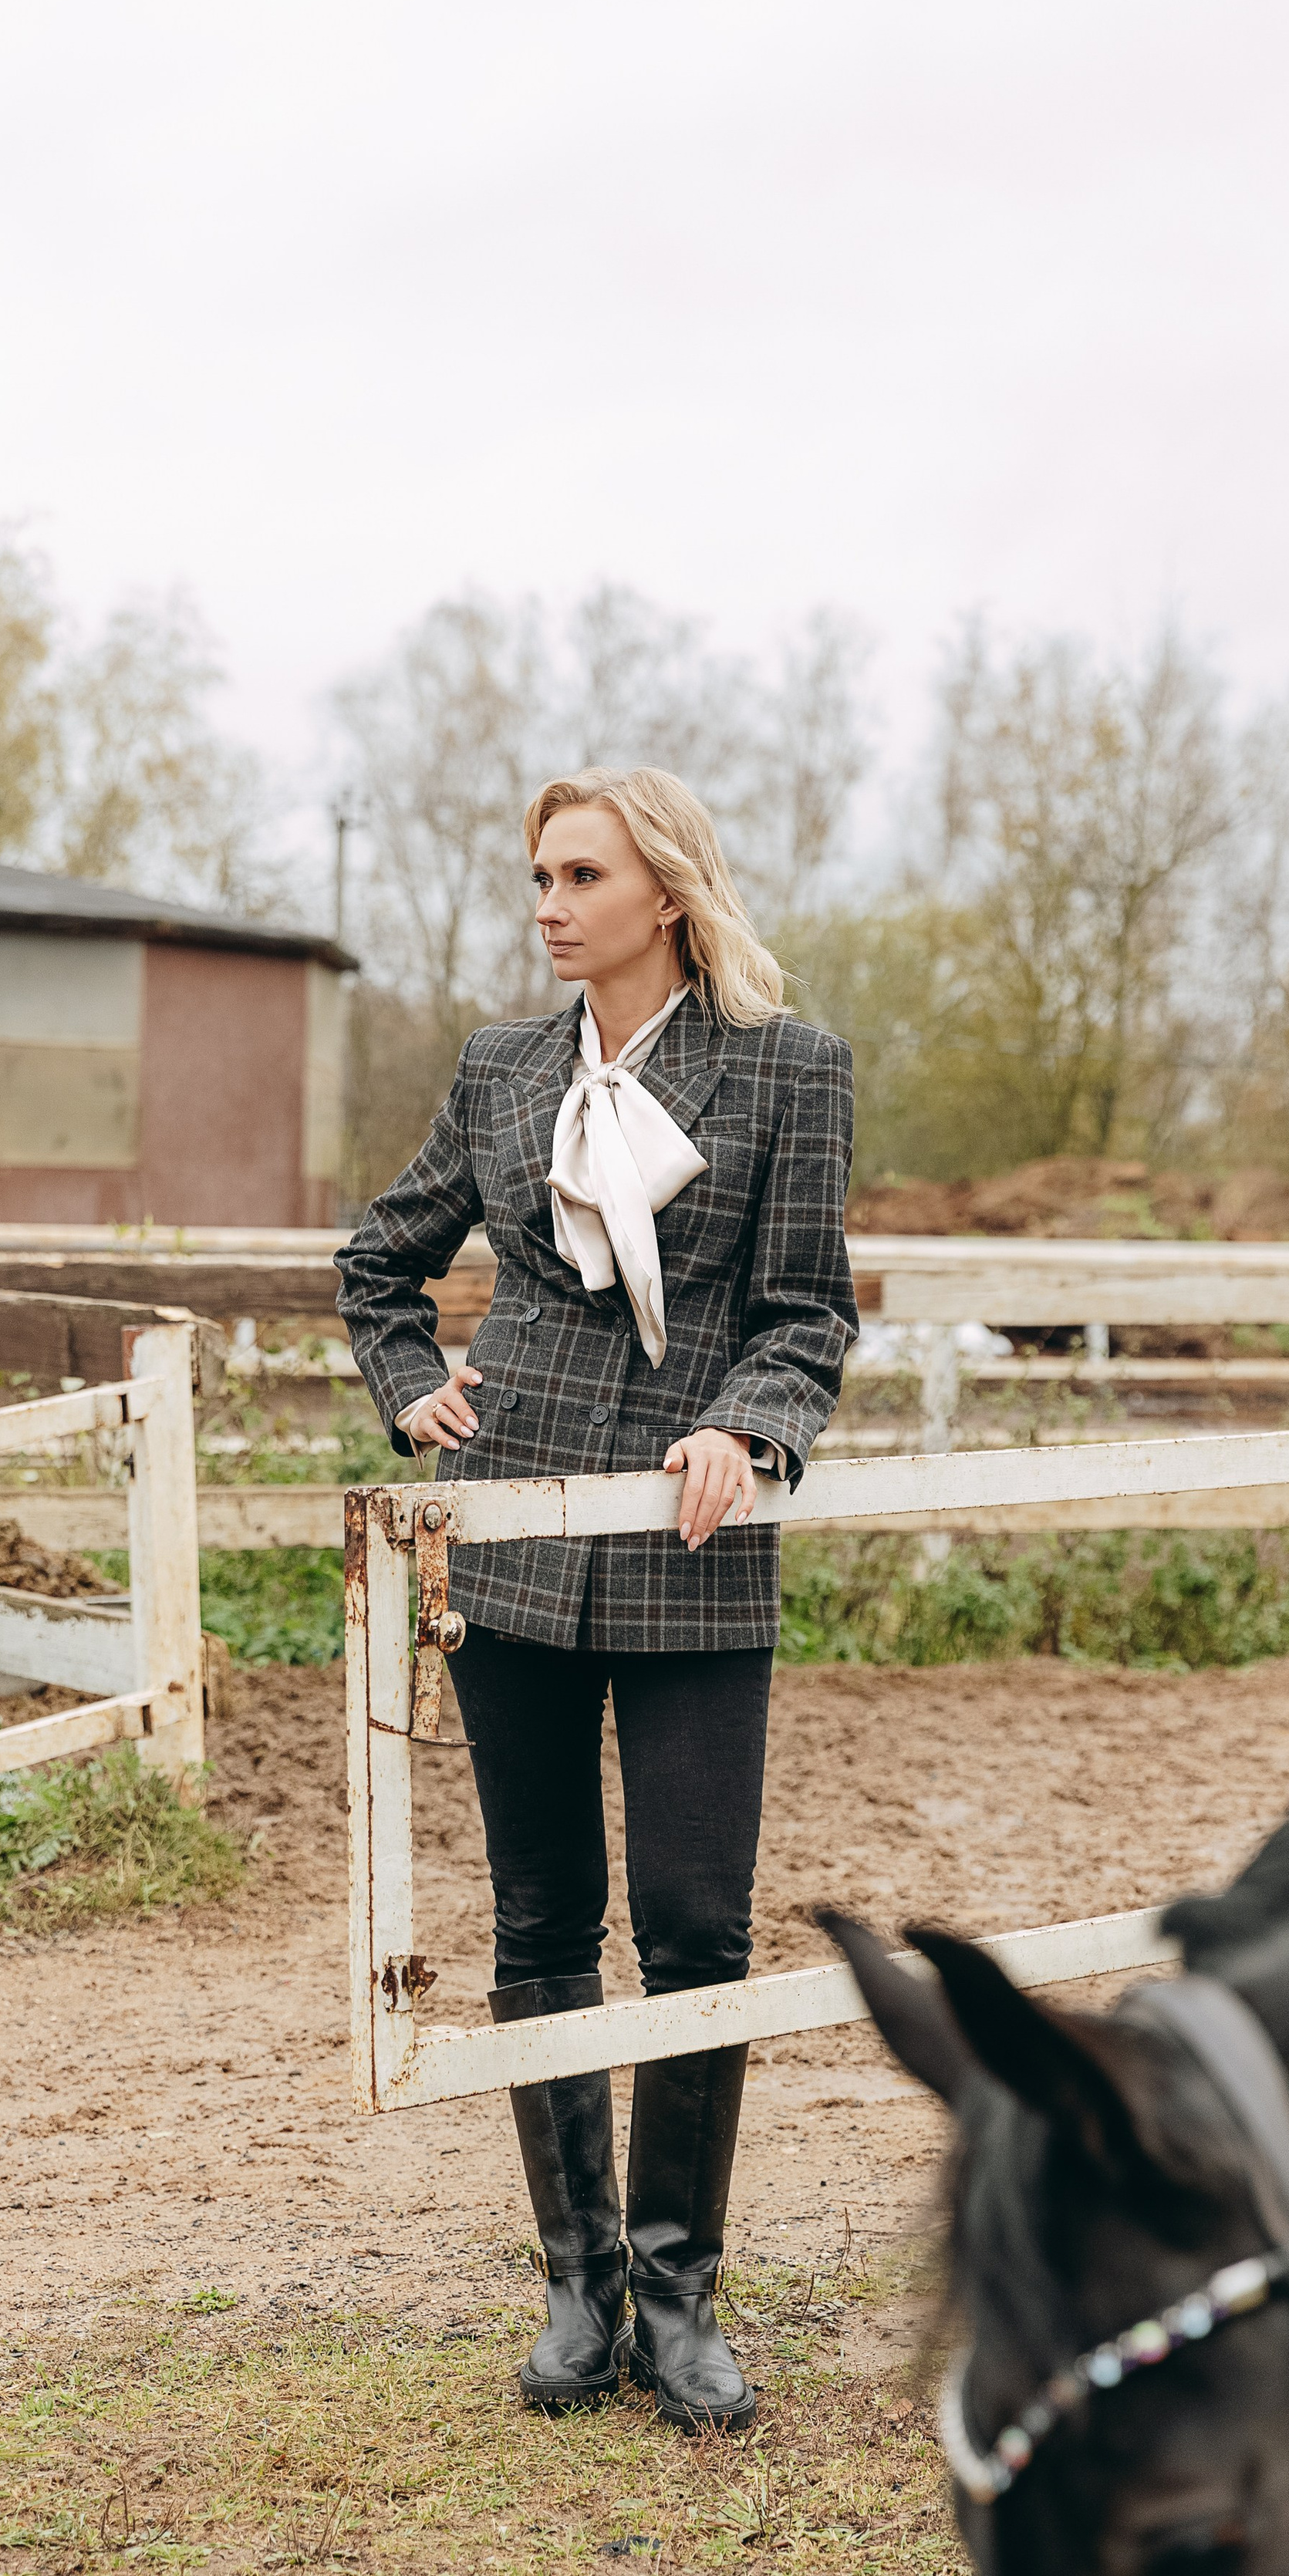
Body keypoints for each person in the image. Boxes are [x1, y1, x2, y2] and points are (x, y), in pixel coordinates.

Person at [336, 766, 856, 2429]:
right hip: (511, 1535)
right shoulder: (502, 1068)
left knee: (698, 1923)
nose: (546, 901)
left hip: (693, 1545)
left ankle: (678, 2287)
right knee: (544, 1920)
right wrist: (411, 1379)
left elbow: (804, 1313)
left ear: (666, 893)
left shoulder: (787, 1068)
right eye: (538, 873)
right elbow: (379, 1258)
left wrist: (746, 1423)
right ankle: (576, 2282)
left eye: (578, 874)